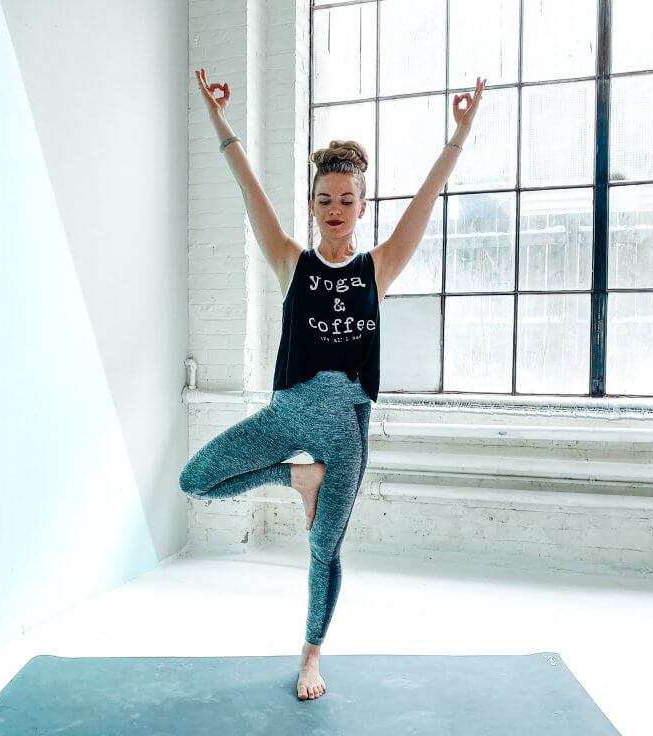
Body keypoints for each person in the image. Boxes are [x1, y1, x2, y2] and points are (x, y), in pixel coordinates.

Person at [181, 67, 485, 701]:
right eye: (325, 200)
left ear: (362, 205)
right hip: (287, 413)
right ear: (313, 205)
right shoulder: (292, 261)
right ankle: (298, 478)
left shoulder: (379, 268)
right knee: (196, 480)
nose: (336, 210)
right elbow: (248, 187)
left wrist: (460, 133)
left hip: (344, 430)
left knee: (323, 549)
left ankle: (311, 656)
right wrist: (217, 118)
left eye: (347, 200)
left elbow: (428, 198)